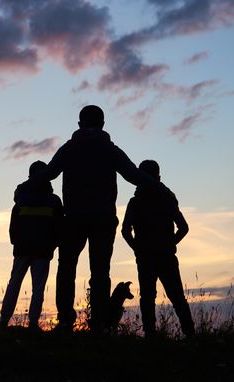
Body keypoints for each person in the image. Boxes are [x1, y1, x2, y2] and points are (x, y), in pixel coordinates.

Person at [27, 105, 168, 333]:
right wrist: (159, 187)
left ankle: (65, 321)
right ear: (103, 124)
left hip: (73, 218)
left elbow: (49, 172)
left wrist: (25, 187)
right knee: (100, 272)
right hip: (103, 219)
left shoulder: (69, 149)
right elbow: (133, 175)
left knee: (66, 269)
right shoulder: (110, 150)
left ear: (80, 124)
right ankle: (100, 323)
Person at [121, 159, 195, 338]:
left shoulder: (135, 202)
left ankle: (150, 337)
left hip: (146, 256)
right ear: (158, 177)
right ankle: (191, 336)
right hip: (166, 255)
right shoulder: (168, 198)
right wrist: (170, 244)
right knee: (177, 297)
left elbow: (125, 231)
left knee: (147, 298)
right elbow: (184, 227)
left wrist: (137, 248)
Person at [0, 160, 64, 330]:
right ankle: (33, 323)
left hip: (22, 249)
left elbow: (13, 227)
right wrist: (52, 245)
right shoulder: (54, 201)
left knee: (14, 283)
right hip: (42, 250)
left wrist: (16, 243)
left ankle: (3, 320)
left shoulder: (21, 200)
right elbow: (60, 227)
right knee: (38, 288)